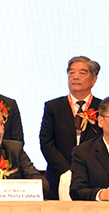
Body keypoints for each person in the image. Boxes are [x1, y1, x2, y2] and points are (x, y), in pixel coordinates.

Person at [38, 56, 104, 201]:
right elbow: (46, 142)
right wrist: (65, 170)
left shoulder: (102, 108)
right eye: (71, 72)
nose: (75, 77)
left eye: (82, 73)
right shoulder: (53, 107)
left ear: (94, 80)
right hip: (59, 176)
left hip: (93, 178)